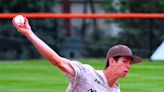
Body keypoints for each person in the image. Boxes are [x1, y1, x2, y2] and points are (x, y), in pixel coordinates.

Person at [12, 16, 142, 92]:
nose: (128, 66)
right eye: (125, 61)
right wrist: (29, 34)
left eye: (130, 63)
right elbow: (56, 60)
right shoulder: (86, 73)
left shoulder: (115, 91)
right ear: (112, 61)